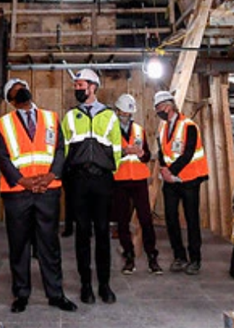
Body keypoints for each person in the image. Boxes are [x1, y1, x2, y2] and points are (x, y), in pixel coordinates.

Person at [0, 78, 78, 315]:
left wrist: (51, 176)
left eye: (22, 87)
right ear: (10, 100)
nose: (20, 91)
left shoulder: (51, 118)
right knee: (19, 245)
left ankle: (56, 294)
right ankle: (21, 294)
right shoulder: (3, 123)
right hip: (17, 193)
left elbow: (60, 149)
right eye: (14, 90)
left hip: (47, 191)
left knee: (49, 245)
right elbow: (2, 157)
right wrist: (23, 180)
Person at [62, 68, 122, 305]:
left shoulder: (109, 116)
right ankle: (86, 284)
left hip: (102, 181)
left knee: (102, 234)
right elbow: (64, 148)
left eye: (81, 85)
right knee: (82, 234)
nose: (77, 89)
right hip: (77, 181)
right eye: (75, 85)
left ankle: (105, 285)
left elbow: (116, 147)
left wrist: (107, 170)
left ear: (93, 87)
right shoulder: (70, 116)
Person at [155, 90, 209, 275]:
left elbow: (188, 153)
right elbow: (161, 151)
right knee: (171, 218)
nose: (158, 111)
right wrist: (164, 169)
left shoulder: (189, 126)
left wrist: (171, 171)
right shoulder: (162, 128)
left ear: (168, 106)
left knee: (191, 219)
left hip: (190, 180)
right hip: (170, 182)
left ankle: (195, 259)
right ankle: (179, 256)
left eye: (160, 107)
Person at [112, 93, 162, 276]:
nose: (126, 116)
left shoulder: (139, 130)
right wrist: (124, 152)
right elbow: (108, 156)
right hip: (119, 180)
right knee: (123, 222)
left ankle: (152, 258)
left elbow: (147, 156)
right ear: (117, 111)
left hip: (139, 179)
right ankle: (129, 257)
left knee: (146, 219)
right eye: (123, 112)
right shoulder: (111, 131)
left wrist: (142, 154)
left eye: (128, 113)